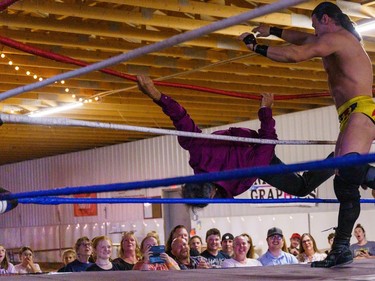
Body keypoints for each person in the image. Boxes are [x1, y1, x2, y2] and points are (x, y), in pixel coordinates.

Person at [241, 1, 375, 268]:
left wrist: (257, 47)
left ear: (325, 19)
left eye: (314, 23)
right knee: (344, 180)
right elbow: (301, 37)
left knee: (346, 173)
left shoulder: (338, 38)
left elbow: (296, 53)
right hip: (351, 113)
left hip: (361, 109)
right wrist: (273, 30)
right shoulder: (334, 39)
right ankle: (341, 249)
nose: (312, 29)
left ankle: (341, 248)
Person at [136, 75, 334, 209]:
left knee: (300, 188)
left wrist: (266, 110)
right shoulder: (199, 154)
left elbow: (268, 143)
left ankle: (336, 161)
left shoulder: (236, 177)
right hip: (252, 149)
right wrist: (156, 95)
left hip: (254, 149)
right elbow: (181, 118)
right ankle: (337, 161)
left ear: (212, 195)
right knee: (295, 184)